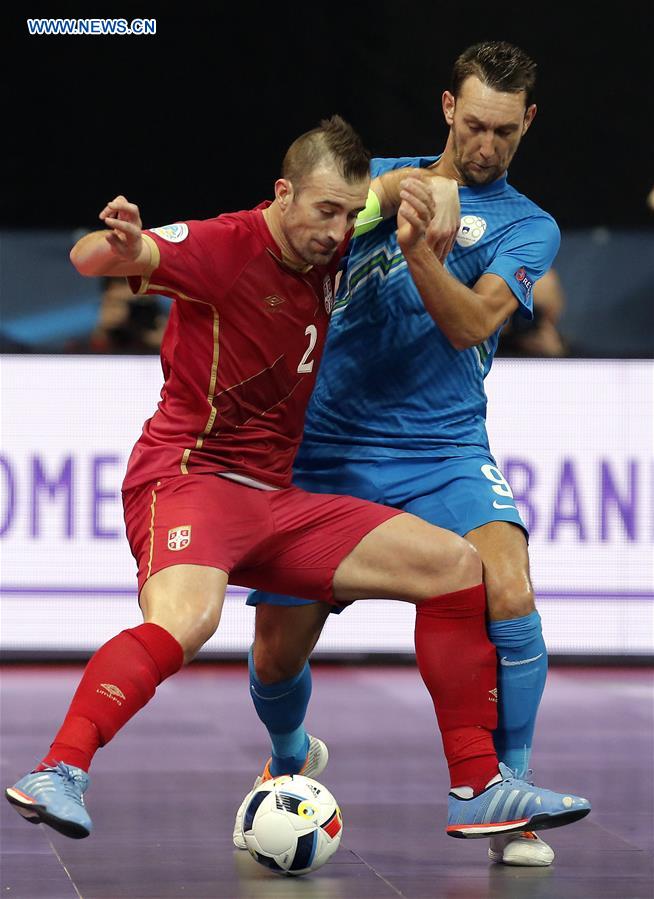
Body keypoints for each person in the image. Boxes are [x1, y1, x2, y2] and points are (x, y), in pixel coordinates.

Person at [5, 115, 590, 847]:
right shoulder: (225, 244)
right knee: (190, 621)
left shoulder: (336, 237)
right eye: (324, 212)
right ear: (282, 195)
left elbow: (387, 189)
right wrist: (117, 243)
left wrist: (434, 191)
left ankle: (478, 785)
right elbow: (95, 256)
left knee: (455, 566)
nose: (338, 232)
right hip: (192, 478)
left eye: (350, 215)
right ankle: (61, 767)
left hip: (278, 496)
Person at [237, 43, 573, 868]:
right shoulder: (380, 178)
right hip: (327, 448)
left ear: (527, 123)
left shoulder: (531, 227)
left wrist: (421, 247)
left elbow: (469, 324)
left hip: (443, 449)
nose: (487, 144)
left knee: (510, 584)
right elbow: (284, 233)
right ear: (448, 108)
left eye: (505, 130)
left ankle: (509, 792)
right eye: (476, 124)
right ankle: (289, 758)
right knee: (276, 653)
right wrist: (388, 202)